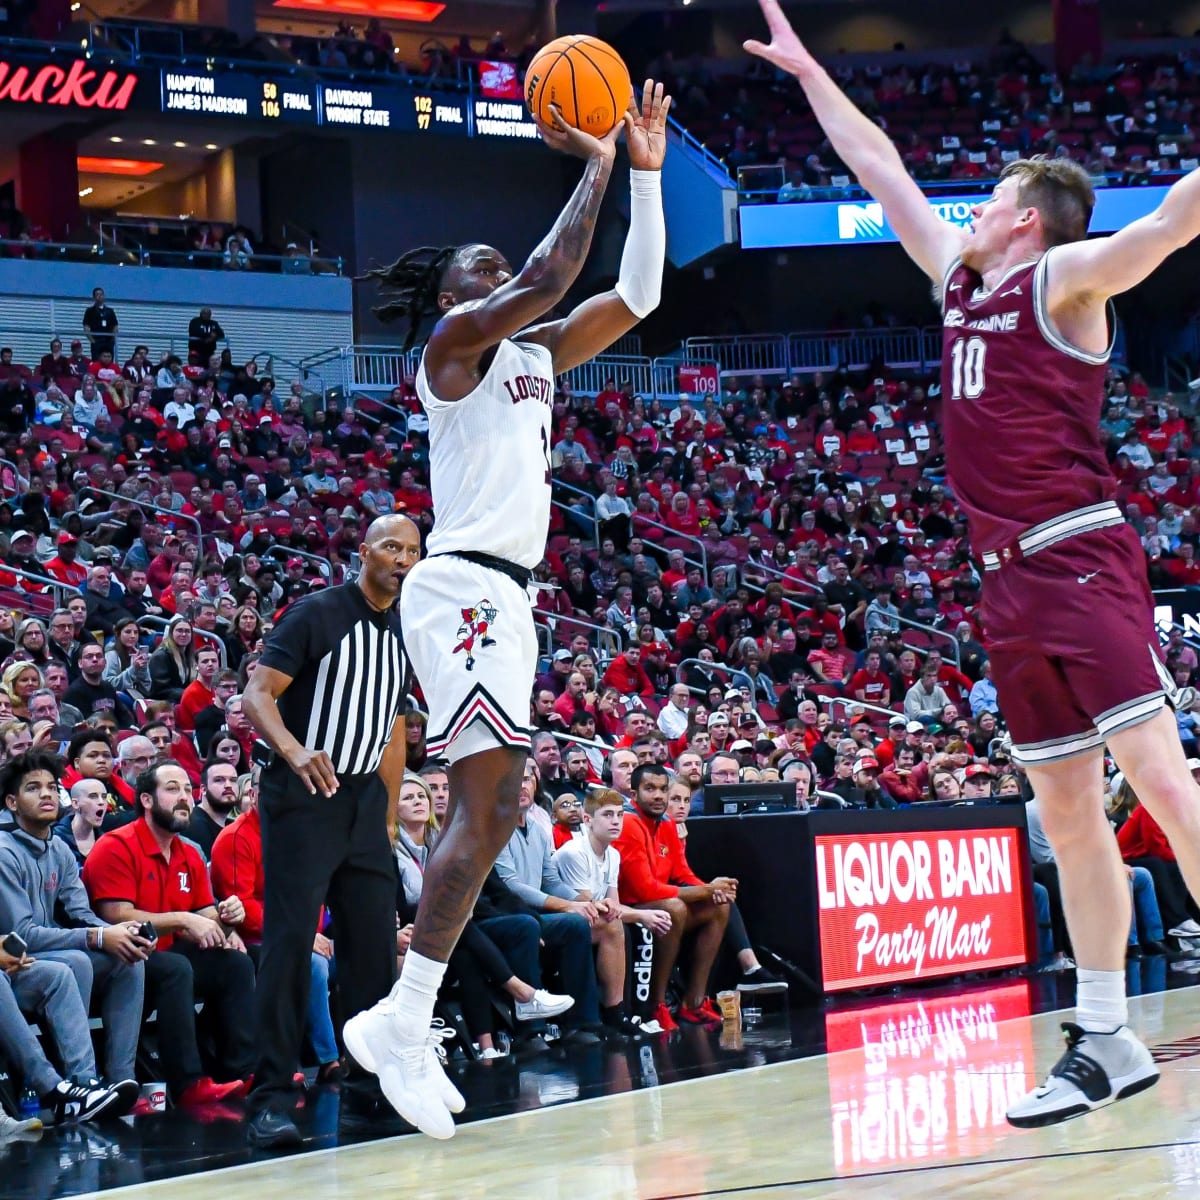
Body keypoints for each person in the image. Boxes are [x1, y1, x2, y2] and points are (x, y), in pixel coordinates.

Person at [744, 0, 1200, 1125]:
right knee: (1067, 810)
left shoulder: (1071, 279)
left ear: (1029, 222)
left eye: (995, 195)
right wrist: (808, 71)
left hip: (1079, 555)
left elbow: (1178, 221)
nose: (975, 204)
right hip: (1003, 582)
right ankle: (1104, 1039)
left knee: (1157, 777)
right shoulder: (954, 275)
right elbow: (877, 159)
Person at [343, 82, 669, 1141]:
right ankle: (402, 1017)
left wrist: (649, 176)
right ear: (453, 298)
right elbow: (547, 274)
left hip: (509, 593)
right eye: (475, 271)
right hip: (465, 581)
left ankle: (404, 1016)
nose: (495, 277)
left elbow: (639, 293)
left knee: (489, 814)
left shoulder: (533, 357)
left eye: (495, 267)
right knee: (482, 813)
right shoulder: (453, 351)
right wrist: (596, 164)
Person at [241, 514, 420, 1148]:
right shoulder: (317, 612)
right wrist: (293, 750)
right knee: (290, 947)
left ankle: (368, 1092)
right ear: (364, 551)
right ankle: (268, 1099)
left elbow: (394, 724)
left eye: (412, 550)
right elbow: (256, 694)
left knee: (372, 949)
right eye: (391, 546)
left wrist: (391, 811)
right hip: (303, 796)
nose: (401, 558)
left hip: (365, 801)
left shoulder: (407, 626)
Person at [81, 760, 254, 1109]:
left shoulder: (188, 851)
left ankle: (245, 1070)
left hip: (169, 953)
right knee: (176, 968)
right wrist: (183, 920)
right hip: (120, 957)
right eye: (173, 789)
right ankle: (189, 1084)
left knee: (234, 963)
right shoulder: (115, 845)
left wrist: (227, 918)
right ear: (146, 799)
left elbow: (205, 914)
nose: (184, 798)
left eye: (188, 790)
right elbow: (116, 915)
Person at [0, 752, 147, 1114]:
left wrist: (119, 933)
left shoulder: (59, 848)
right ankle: (80, 1084)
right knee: (73, 965)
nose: (47, 794)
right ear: (12, 802)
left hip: (44, 956)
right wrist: (97, 938)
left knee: (128, 960)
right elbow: (22, 935)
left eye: (52, 787)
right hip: (16, 964)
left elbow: (82, 915)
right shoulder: (4, 852)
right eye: (33, 788)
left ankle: (117, 1081)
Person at [613, 764, 736, 1032]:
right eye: (650, 789)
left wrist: (713, 890)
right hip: (625, 904)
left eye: (662, 789)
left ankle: (693, 1002)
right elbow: (644, 890)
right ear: (634, 793)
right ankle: (656, 1005)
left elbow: (682, 872)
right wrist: (705, 890)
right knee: (674, 908)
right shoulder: (629, 823)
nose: (658, 796)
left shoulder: (667, 823)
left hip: (655, 900)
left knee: (719, 906)